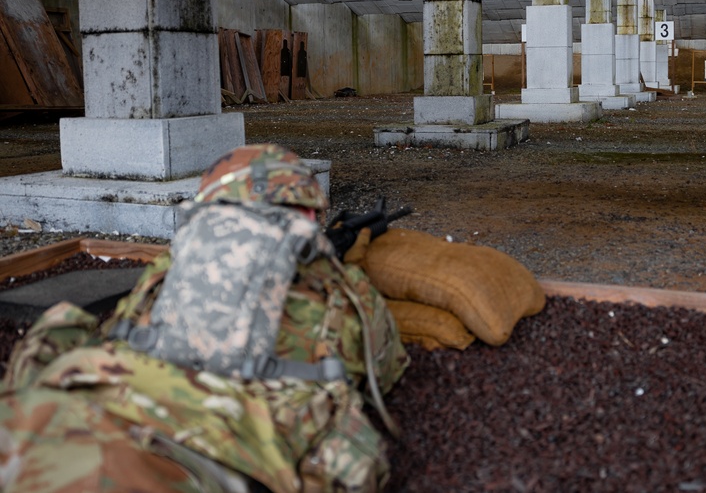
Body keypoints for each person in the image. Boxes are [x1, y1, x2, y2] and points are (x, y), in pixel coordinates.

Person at [0, 143, 408, 493]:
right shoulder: (341, 290)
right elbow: (387, 368)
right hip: (204, 453)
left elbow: (118, 331)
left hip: (72, 396)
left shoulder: (166, 273)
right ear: (308, 213)